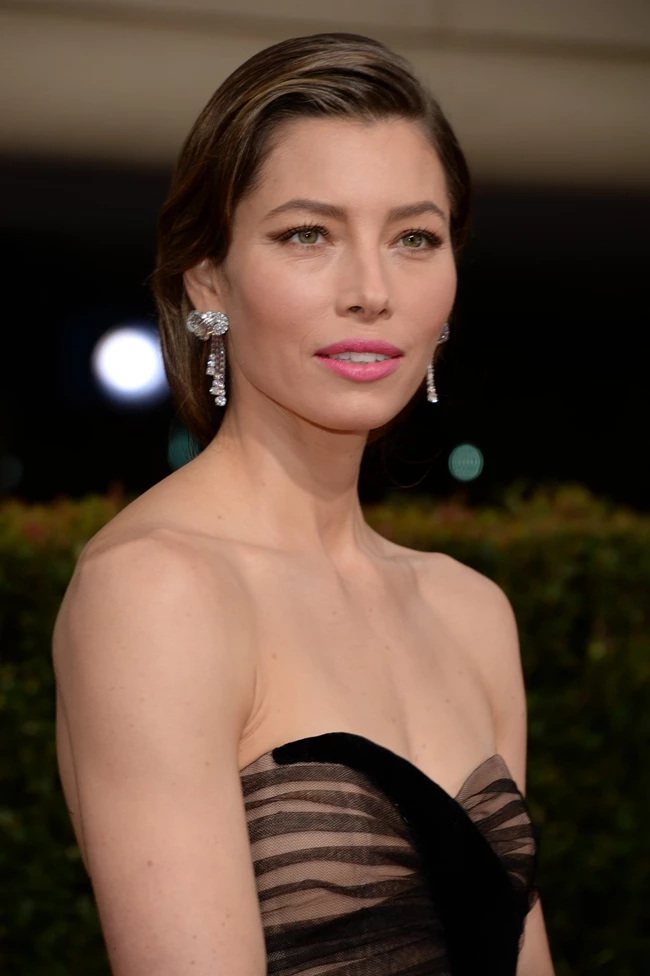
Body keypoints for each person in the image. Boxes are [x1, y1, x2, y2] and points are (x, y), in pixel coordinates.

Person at [52, 31, 555, 976]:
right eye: (307, 234)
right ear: (210, 280)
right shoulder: (157, 593)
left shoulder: (471, 610)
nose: (371, 291)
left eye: (415, 237)